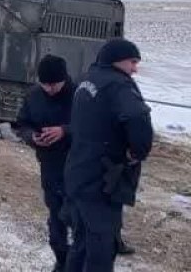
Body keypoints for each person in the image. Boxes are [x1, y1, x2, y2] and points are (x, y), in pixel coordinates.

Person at [64, 38, 153, 272]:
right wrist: (138, 151)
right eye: (132, 62)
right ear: (116, 61)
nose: (135, 69)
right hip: (104, 178)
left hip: (79, 170)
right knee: (102, 247)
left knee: (81, 242)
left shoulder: (86, 79)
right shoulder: (118, 85)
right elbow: (137, 117)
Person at [12, 54, 75, 272]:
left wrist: (64, 131)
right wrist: (32, 137)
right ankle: (61, 260)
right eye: (45, 84)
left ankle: (79, 262)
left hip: (78, 166)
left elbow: (93, 128)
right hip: (49, 164)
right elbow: (22, 124)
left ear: (64, 79)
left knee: (77, 217)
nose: (49, 89)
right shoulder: (34, 95)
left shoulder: (80, 96)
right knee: (56, 215)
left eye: (54, 84)